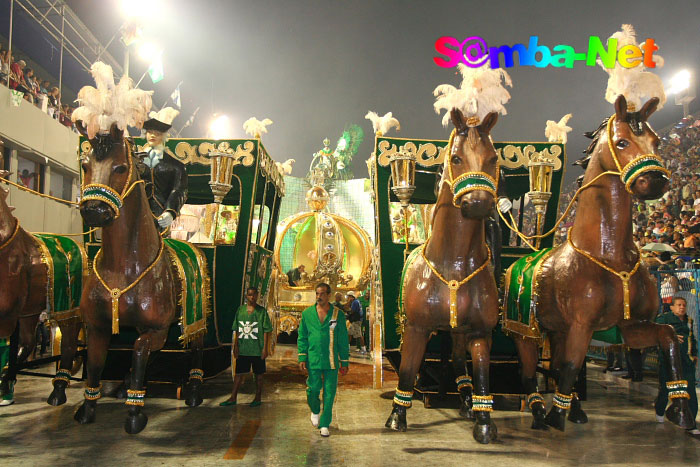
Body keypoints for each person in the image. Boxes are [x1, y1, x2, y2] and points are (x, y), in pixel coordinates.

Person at [298, 283, 349, 437]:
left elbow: (342, 339)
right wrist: (302, 355)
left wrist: (344, 361)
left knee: (329, 393)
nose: (319, 297)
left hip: (331, 360)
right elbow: (302, 336)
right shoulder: (307, 314)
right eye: (317, 294)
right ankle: (314, 410)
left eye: (322, 294)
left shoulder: (337, 314)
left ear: (329, 295)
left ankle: (325, 423)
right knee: (312, 390)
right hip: (313, 358)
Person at [136, 107, 188, 232]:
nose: (153, 135)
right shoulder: (135, 161)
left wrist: (171, 211)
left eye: (157, 133)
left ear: (164, 136)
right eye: (150, 132)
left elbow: (179, 190)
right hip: (136, 212)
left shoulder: (176, 166)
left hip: (160, 215)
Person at [220, 287, 272, 407]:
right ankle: (233, 397)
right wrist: (236, 345)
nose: (252, 297)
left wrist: (265, 348)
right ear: (246, 296)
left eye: (254, 295)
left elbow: (266, 331)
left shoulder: (262, 312)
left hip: (257, 349)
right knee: (239, 374)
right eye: (249, 295)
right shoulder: (241, 310)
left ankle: (258, 397)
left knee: (259, 375)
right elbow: (237, 329)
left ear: (257, 295)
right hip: (243, 349)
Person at [654, 297, 699, 436]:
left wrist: (694, 354)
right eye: (679, 305)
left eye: (684, 305)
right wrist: (671, 335)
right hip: (669, 362)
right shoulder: (663, 320)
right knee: (666, 389)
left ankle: (690, 422)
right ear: (672, 307)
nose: (682, 307)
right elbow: (656, 333)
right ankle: (660, 410)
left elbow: (692, 338)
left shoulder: (689, 321)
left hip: (686, 362)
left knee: (689, 390)